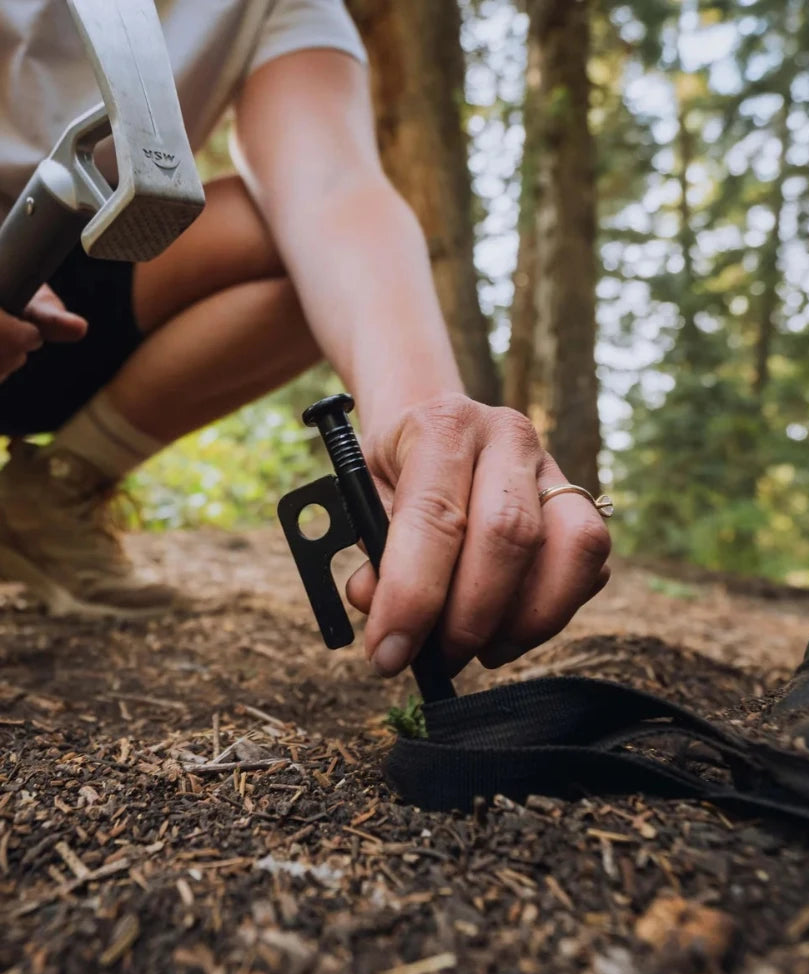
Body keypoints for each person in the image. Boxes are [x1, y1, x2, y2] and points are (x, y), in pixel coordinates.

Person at [0, 0, 611, 679]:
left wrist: (425, 423)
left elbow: (333, 192)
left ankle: (51, 493)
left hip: (67, 277)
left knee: (289, 238)